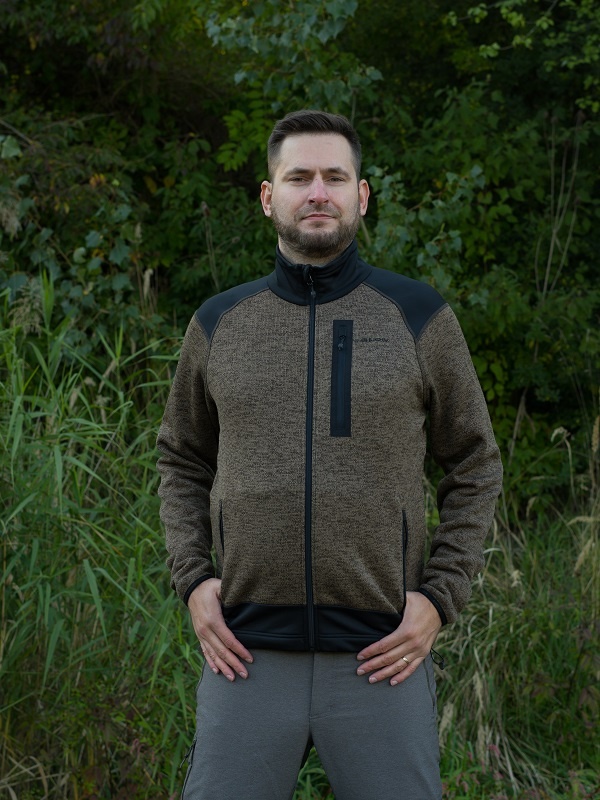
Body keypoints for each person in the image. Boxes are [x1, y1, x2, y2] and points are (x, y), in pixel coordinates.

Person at [156, 109, 503, 800]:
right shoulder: (220, 323)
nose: (318, 192)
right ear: (268, 196)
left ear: (361, 195)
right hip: (246, 656)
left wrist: (440, 598)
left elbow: (475, 463)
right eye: (299, 177)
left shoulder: (418, 316)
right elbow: (181, 459)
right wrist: (193, 581)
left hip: (382, 658)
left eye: (335, 177)